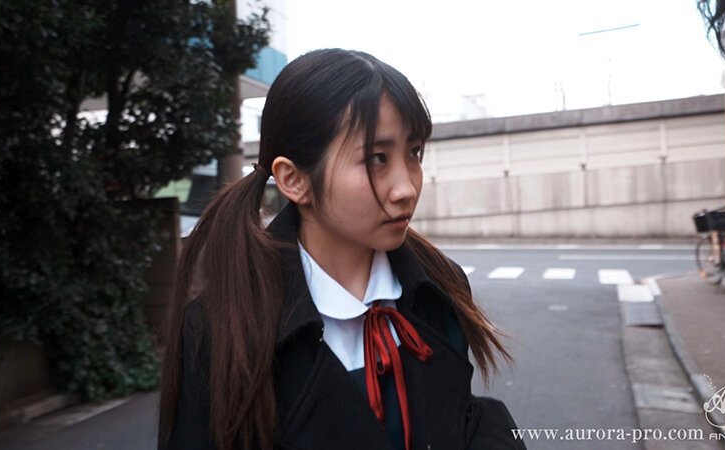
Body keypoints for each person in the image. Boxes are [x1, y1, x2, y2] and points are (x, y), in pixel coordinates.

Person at [157, 48, 526, 450]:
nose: (406, 188)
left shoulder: (438, 286)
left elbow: (456, 416)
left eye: (414, 152)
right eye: (377, 158)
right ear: (294, 180)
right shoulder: (224, 325)